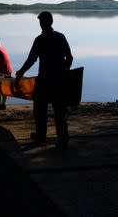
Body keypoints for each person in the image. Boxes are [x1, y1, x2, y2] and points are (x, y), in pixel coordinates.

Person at [15, 11, 73, 149]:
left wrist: (20, 73)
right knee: (59, 110)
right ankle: (63, 139)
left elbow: (31, 60)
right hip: (59, 80)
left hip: (44, 80)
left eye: (41, 22)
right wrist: (64, 69)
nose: (40, 24)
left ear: (43, 23)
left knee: (40, 110)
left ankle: (41, 137)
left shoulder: (40, 40)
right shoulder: (60, 37)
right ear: (51, 22)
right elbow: (70, 58)